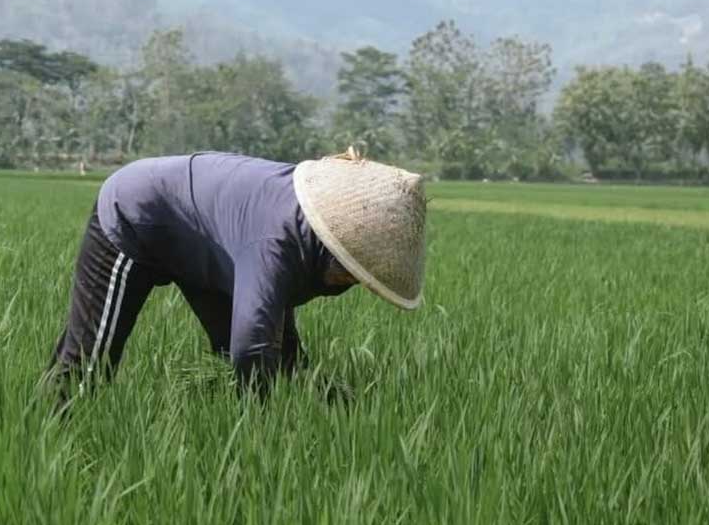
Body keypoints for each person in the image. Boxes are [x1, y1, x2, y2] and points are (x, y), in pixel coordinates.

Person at [46, 147, 427, 410]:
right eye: (353, 269)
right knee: (89, 363)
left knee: (286, 363)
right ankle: (53, 438)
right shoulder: (277, 243)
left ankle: (347, 421)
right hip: (138, 213)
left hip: (207, 238)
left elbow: (271, 350)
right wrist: (258, 433)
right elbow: (252, 348)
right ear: (335, 241)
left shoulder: (304, 236)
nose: (354, 281)